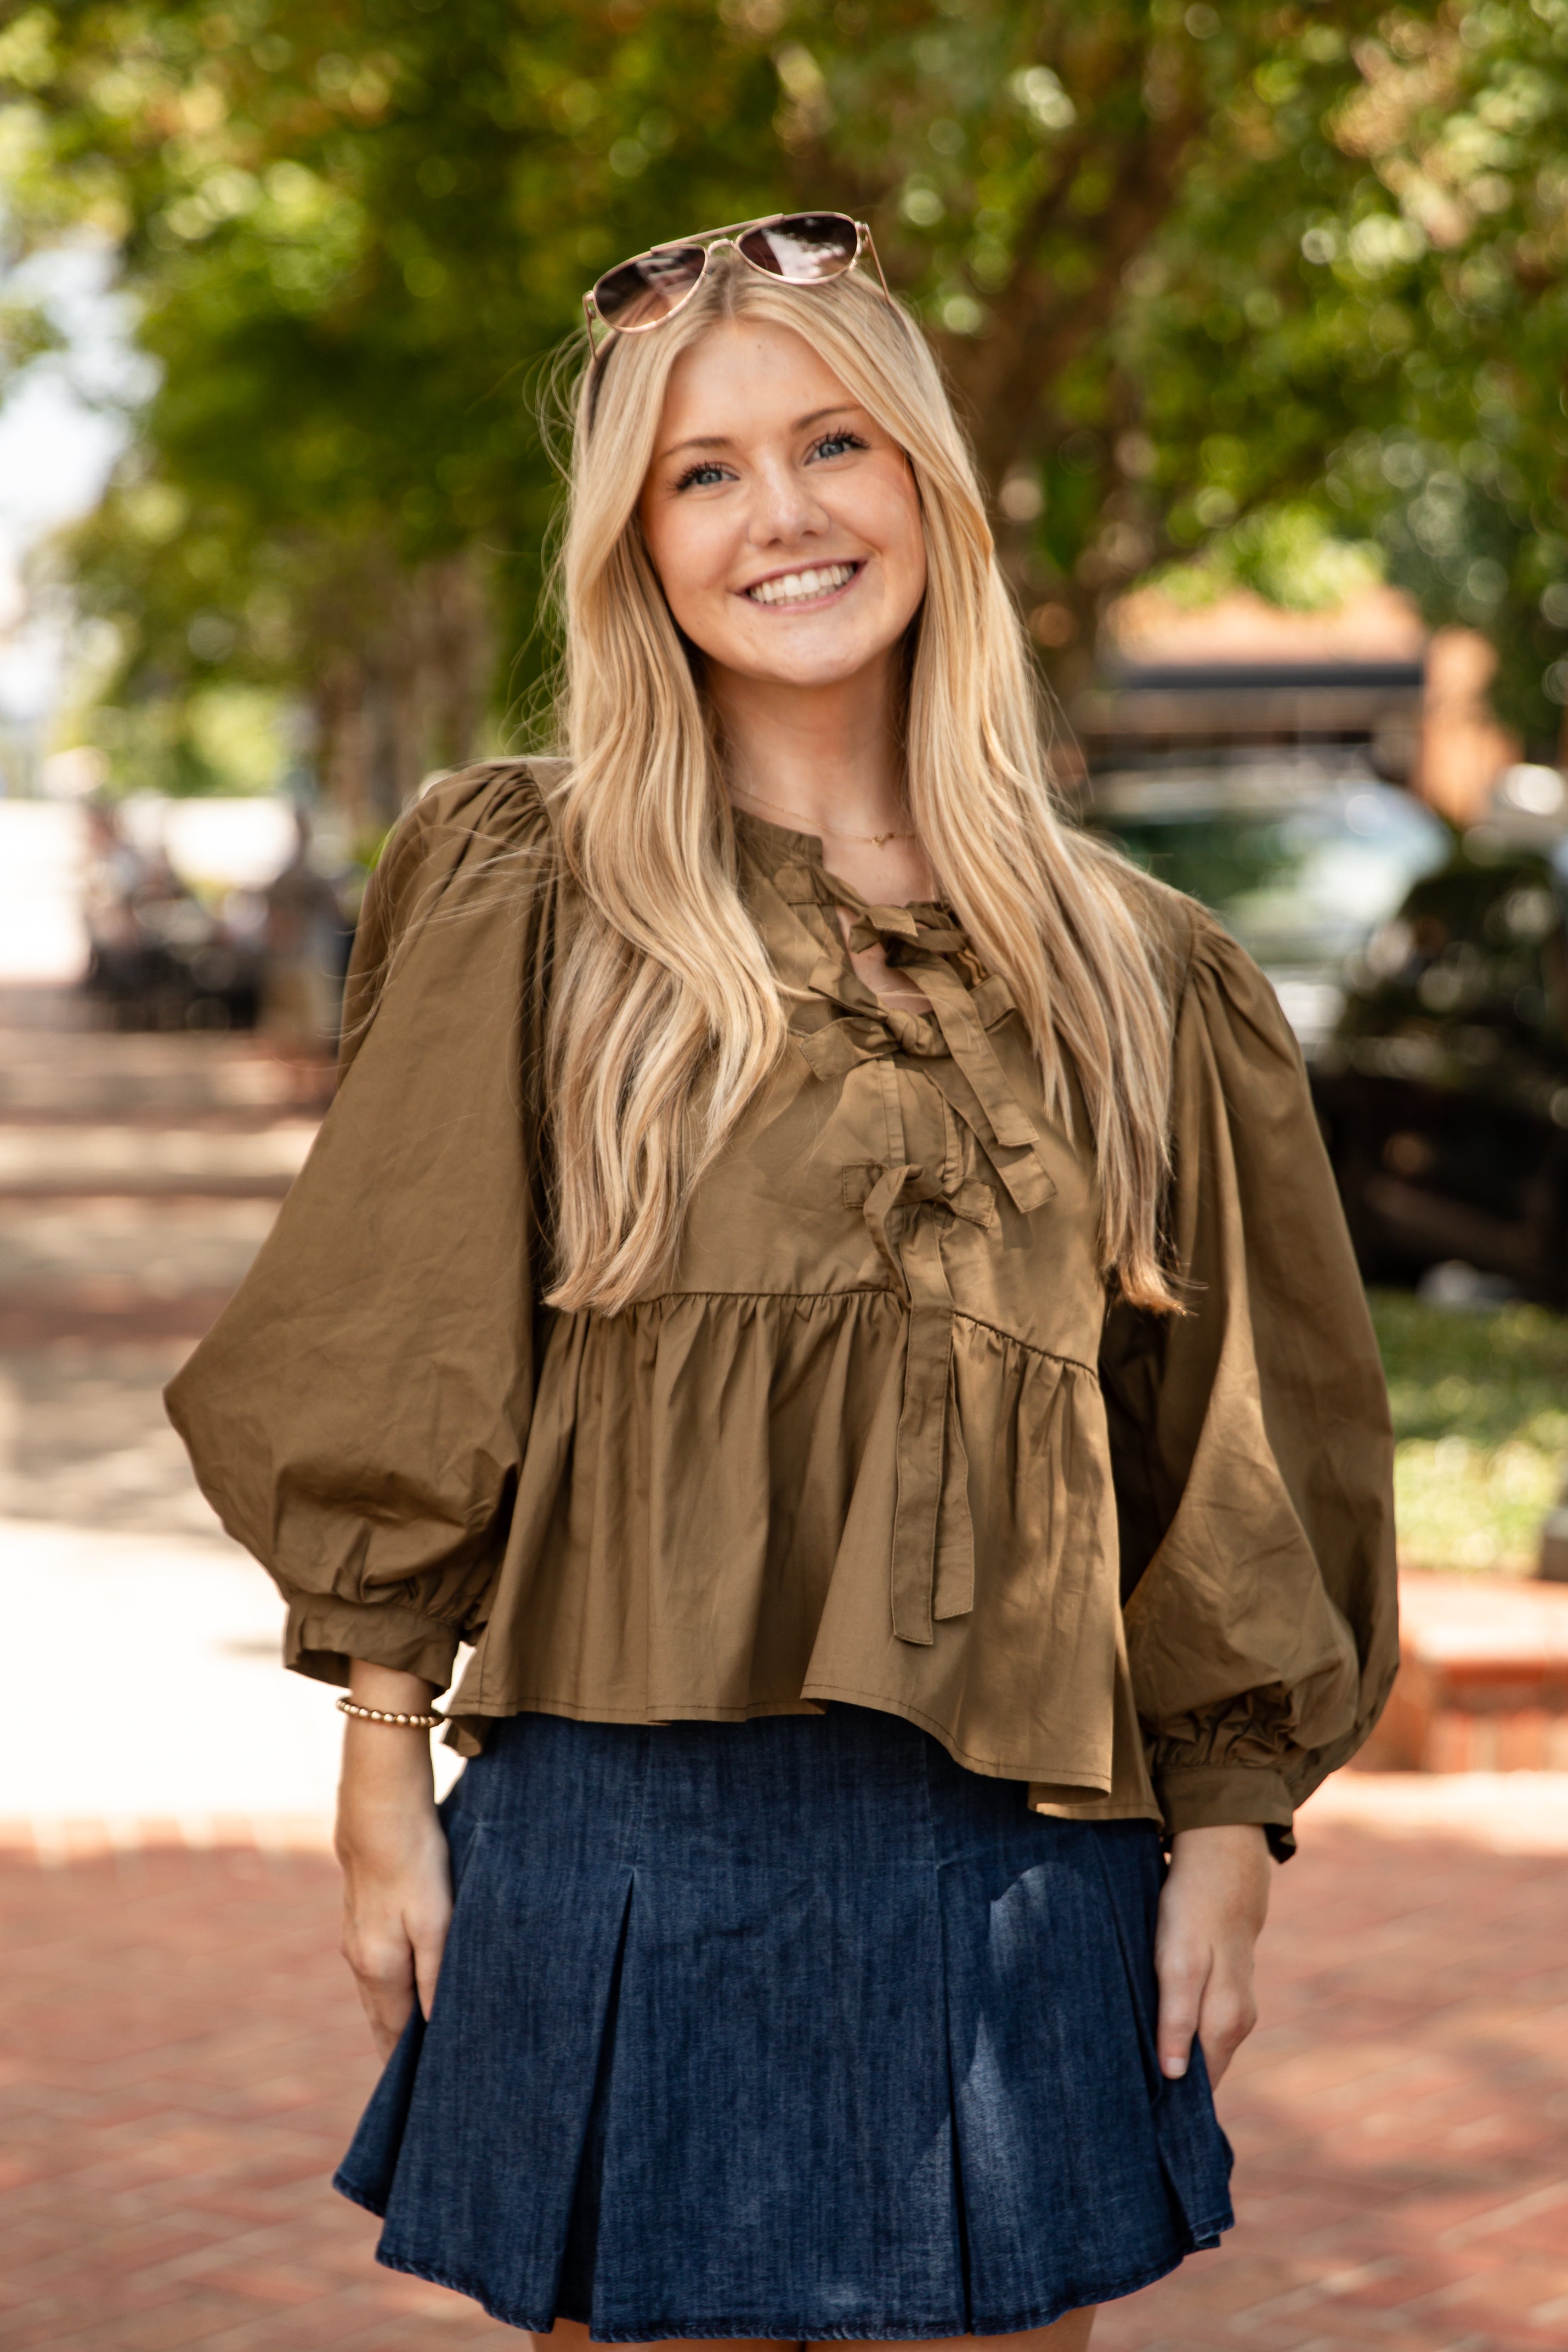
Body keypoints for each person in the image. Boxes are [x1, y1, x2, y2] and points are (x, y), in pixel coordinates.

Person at [167, 213, 1397, 2350]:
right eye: (704, 470)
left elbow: (1228, 1442)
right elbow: (405, 1331)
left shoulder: (1139, 971)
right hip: (623, 1833)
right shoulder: (523, 892)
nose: (784, 514)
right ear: (636, 542)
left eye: (834, 441)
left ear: (927, 481)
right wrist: (380, 1763)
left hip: (1022, 1859)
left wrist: (1231, 1828)